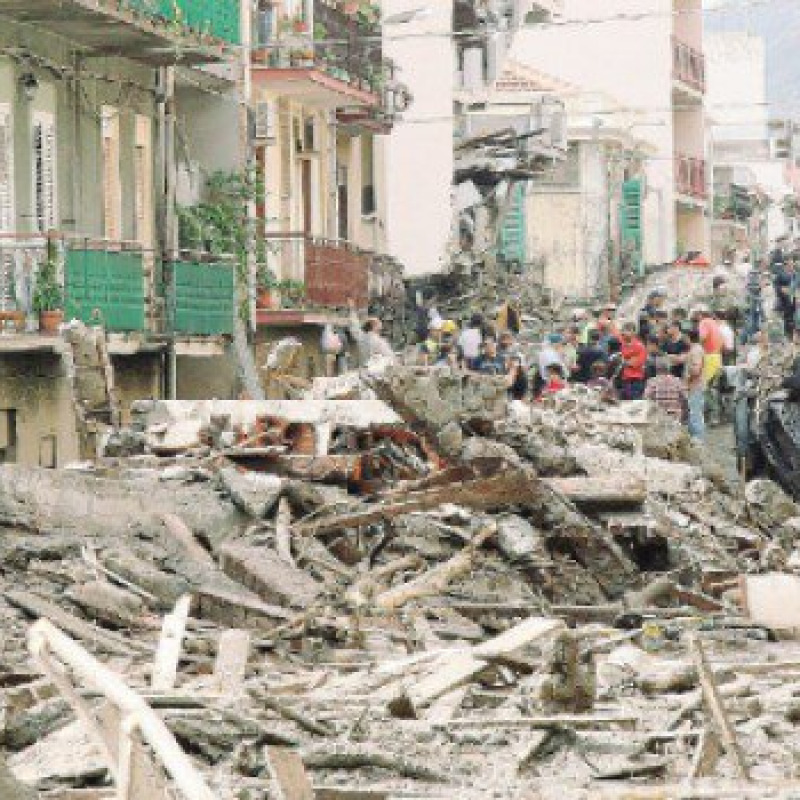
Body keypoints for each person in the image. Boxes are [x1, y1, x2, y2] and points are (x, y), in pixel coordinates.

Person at [348, 300, 396, 367]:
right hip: (376, 371)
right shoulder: (379, 341)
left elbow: (354, 326)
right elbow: (390, 357)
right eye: (379, 323)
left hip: (364, 369)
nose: (381, 326)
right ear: (374, 326)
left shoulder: (362, 337)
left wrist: (352, 310)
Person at [644, 356, 688, 422]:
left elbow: (646, 398)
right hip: (675, 417)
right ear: (669, 367)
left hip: (658, 417)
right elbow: (685, 398)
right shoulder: (677, 381)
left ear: (656, 367)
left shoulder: (652, 382)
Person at [619, 322, 647, 400]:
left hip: (635, 380)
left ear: (633, 332)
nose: (623, 333)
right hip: (625, 379)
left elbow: (636, 363)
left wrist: (626, 361)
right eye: (623, 330)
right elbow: (623, 360)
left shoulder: (640, 346)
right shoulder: (623, 345)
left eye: (626, 331)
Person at [686, 329, 706, 440]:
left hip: (695, 386)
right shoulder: (696, 349)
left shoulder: (696, 350)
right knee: (695, 414)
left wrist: (688, 379)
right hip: (696, 385)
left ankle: (698, 440)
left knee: (695, 415)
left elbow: (696, 369)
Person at [776, 259, 797, 338]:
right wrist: (781, 289)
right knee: (786, 319)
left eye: (792, 265)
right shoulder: (780, 275)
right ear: (785, 266)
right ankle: (787, 335)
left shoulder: (795, 274)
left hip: (794, 299)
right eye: (789, 265)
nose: (791, 267)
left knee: (793, 319)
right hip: (784, 300)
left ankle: (792, 335)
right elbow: (776, 286)